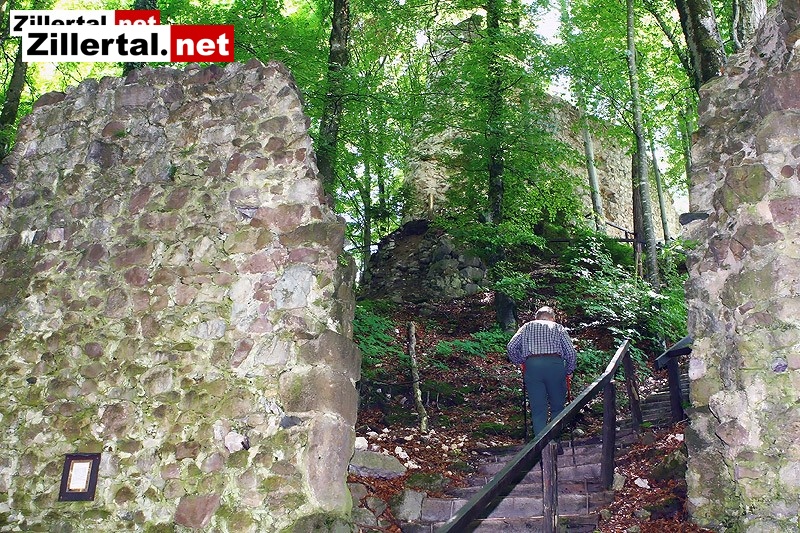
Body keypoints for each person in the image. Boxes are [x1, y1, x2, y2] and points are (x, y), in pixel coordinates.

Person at [507, 306, 577, 438]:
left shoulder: (526, 327)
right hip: (555, 366)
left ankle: (541, 444)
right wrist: (569, 370)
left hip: (532, 366)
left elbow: (511, 347)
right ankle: (555, 440)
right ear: (553, 318)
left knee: (538, 408)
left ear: (536, 318)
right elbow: (571, 352)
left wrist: (521, 361)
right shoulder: (558, 328)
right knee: (557, 406)